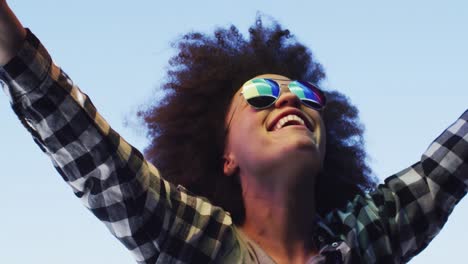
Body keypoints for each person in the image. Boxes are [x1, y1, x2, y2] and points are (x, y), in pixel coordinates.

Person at [1, 1, 466, 263]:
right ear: (226, 155)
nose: (289, 100)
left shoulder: (366, 240)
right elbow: (97, 157)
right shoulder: (198, 245)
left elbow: (440, 172)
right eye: (260, 95)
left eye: (306, 96)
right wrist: (13, 50)